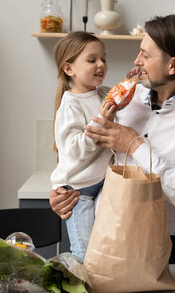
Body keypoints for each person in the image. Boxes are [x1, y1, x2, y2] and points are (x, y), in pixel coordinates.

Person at [49, 15, 175, 263]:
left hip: (154, 250)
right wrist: (63, 191)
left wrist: (135, 145)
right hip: (104, 237)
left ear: (173, 65)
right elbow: (84, 147)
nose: (137, 61)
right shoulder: (127, 97)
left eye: (145, 55)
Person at [50, 31, 118, 263]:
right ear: (69, 69)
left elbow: (126, 96)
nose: (101, 65)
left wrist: (135, 79)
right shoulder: (70, 106)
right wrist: (100, 122)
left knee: (101, 254)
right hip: (78, 192)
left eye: (104, 59)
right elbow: (73, 152)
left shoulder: (102, 94)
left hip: (98, 186)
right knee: (84, 256)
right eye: (92, 60)